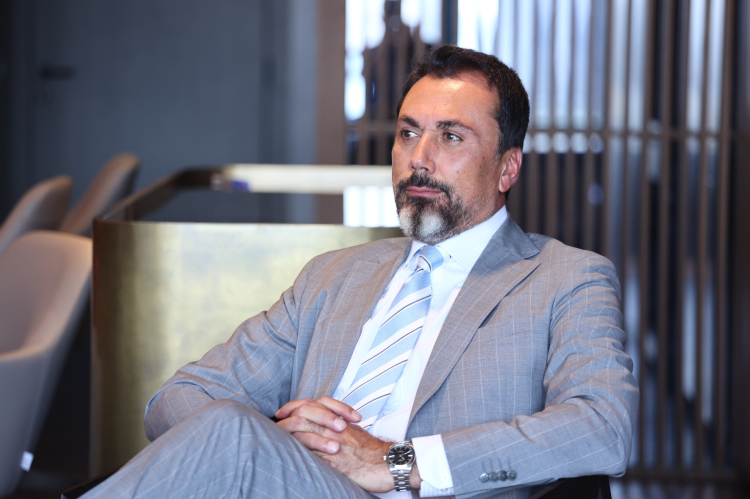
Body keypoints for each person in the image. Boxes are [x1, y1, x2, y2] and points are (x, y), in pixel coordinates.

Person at [84, 45, 638, 499]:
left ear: (507, 168)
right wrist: (280, 439)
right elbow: (178, 397)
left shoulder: (565, 278)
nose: (419, 158)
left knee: (232, 433)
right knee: (232, 430)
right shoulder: (334, 276)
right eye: (408, 133)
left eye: (451, 136)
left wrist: (395, 463)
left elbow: (603, 428)